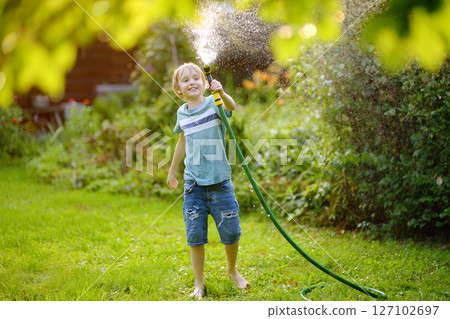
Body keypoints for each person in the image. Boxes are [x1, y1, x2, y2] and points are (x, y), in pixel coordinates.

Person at [167, 62, 249, 299]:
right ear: (178, 90)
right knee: (195, 235)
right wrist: (172, 171)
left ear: (204, 83)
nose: (192, 81)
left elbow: (232, 107)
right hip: (193, 184)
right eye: (185, 80)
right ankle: (199, 283)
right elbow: (181, 142)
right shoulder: (182, 113)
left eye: (196, 78)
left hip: (220, 181)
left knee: (231, 231)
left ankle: (232, 270)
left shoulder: (214, 103)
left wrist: (221, 93)